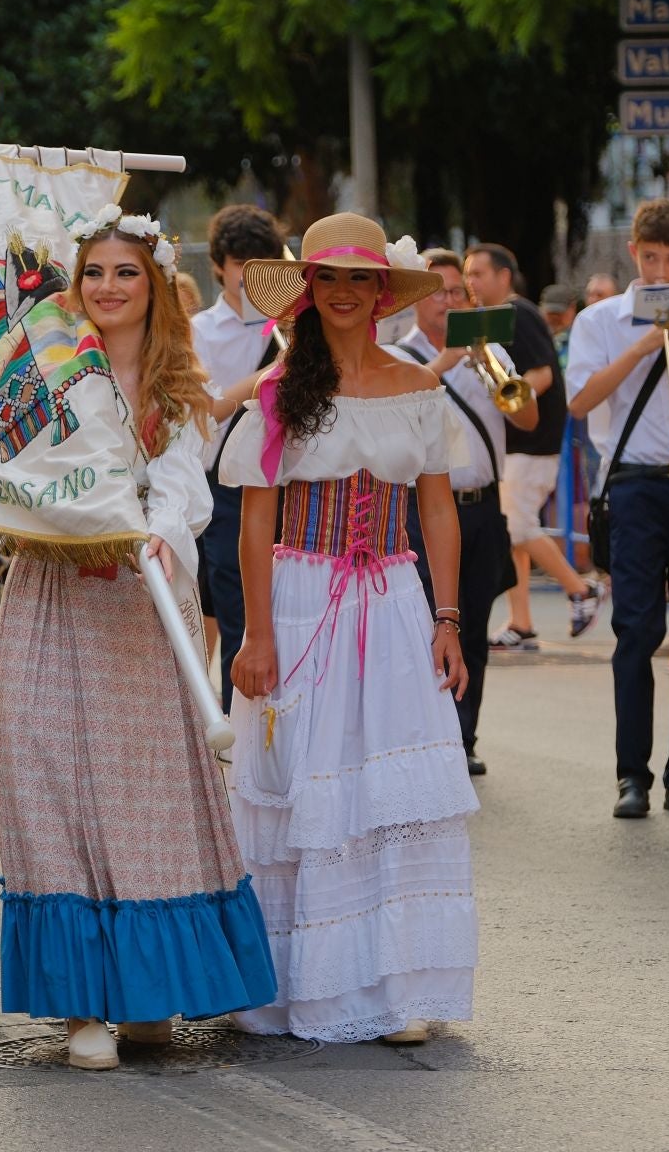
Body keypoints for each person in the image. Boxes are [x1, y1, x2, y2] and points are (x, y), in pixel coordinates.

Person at [0, 209, 276, 1072]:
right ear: (73, 284)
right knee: (49, 784)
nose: (109, 287)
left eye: (127, 272)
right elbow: (7, 472)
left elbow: (186, 486)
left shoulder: (178, 387)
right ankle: (82, 1006)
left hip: (142, 603)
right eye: (94, 272)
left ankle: (148, 992)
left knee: (144, 800)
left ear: (154, 285)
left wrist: (156, 532)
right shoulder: (35, 370)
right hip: (51, 593)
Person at [221, 212, 478, 1045]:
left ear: (380, 291)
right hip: (299, 599)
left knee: (388, 791)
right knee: (308, 784)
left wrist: (448, 618)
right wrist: (257, 635)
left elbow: (437, 511)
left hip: (394, 601)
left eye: (357, 278)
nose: (341, 292)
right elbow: (255, 523)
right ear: (307, 289)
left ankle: (393, 987)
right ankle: (295, 986)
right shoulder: (279, 388)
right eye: (326, 277)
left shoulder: (418, 386)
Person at [565, 199, 669, 820]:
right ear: (635, 252)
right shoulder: (600, 320)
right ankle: (631, 775)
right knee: (636, 632)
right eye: (651, 257)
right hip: (632, 484)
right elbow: (580, 403)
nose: (661, 271)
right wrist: (642, 348)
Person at [394, 248, 537, 776]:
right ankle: (427, 738)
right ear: (417, 299)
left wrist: (494, 375)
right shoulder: (398, 358)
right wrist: (446, 363)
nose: (448, 301)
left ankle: (463, 736)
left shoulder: (489, 352)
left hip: (482, 508)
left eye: (457, 292)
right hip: (422, 512)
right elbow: (395, 419)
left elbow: (528, 419)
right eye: (438, 292)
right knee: (424, 626)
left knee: (472, 625)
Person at [464, 244, 604, 651]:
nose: (471, 283)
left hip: (533, 441)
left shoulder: (518, 313)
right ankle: (521, 622)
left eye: (478, 274)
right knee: (515, 530)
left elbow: (542, 374)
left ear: (504, 276)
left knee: (517, 527)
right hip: (517, 443)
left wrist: (506, 400)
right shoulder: (498, 316)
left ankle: (581, 589)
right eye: (468, 274)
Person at [190, 204, 287, 707]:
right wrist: (276, 370)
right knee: (238, 615)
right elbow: (208, 408)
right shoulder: (201, 330)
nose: (251, 277)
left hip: (290, 481)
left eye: (261, 265)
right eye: (240, 265)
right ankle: (239, 720)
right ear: (218, 266)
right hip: (227, 487)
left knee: (290, 611)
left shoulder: (292, 321)